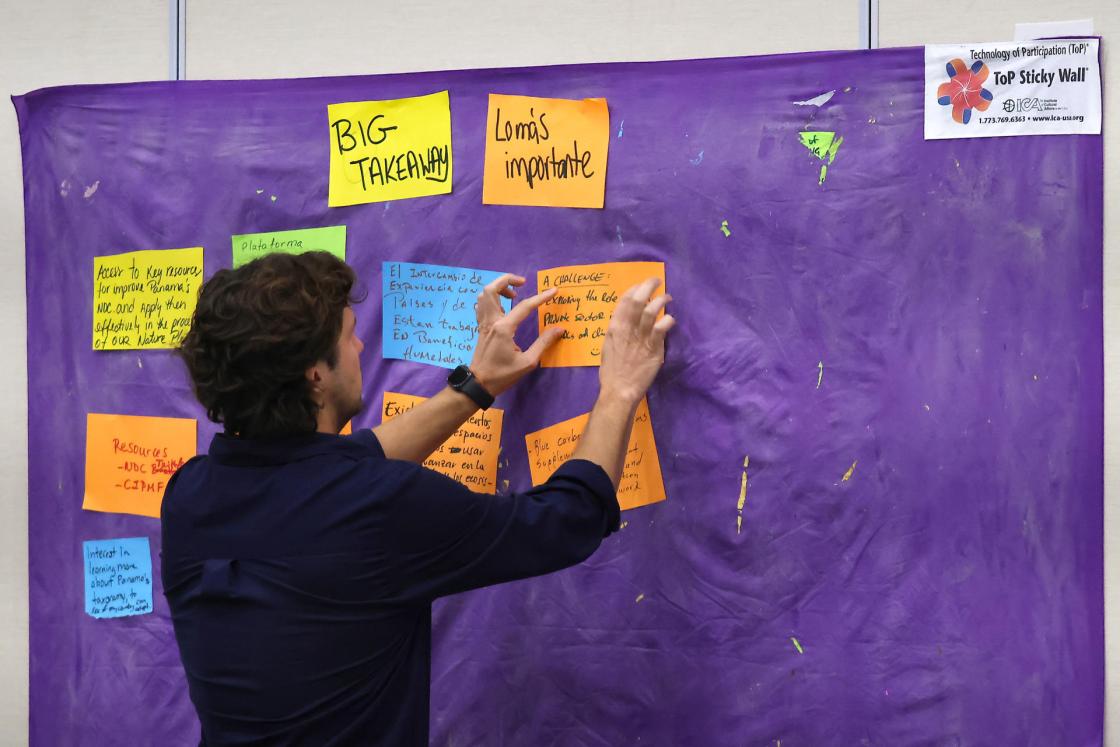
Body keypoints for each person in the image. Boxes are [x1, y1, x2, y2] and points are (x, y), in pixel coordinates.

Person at [162, 251, 675, 746]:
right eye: (348, 337)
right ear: (315, 376)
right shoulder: (378, 508)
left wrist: (475, 388)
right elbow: (569, 519)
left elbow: (347, 464)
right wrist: (619, 390)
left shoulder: (190, 494)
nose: (361, 348)